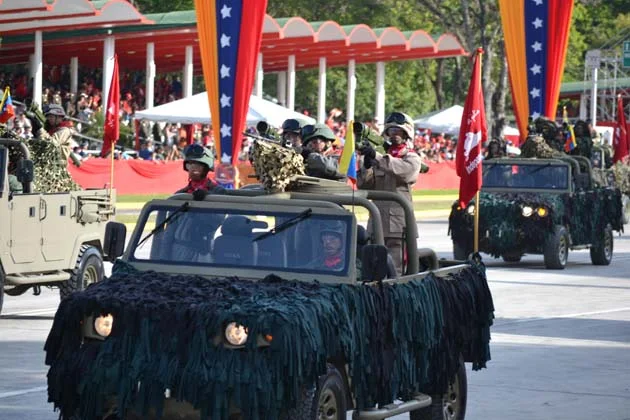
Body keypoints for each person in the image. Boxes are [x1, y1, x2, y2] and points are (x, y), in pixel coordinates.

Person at [357, 111, 423, 276]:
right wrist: (366, 165)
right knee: (373, 270)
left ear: (407, 133)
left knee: (395, 271)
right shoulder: (382, 157)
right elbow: (364, 185)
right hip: (377, 220)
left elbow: (405, 171)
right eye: (391, 131)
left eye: (398, 131)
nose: (394, 135)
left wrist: (377, 158)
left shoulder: (411, 157)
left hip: (398, 225)